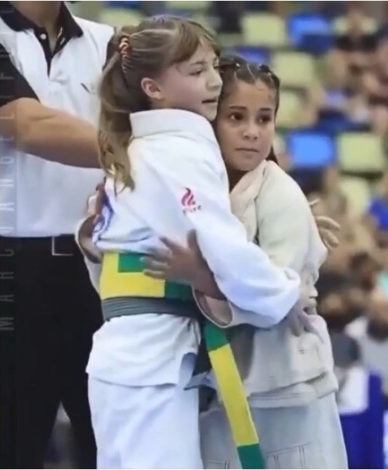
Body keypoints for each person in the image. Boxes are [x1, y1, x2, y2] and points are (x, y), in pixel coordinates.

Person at [77, 19, 304, 468]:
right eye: (197, 71)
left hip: (129, 352)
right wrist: (280, 292)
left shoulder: (141, 147)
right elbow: (222, 244)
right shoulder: (178, 150)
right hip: (151, 357)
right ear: (154, 88)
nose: (214, 81)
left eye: (213, 66)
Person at [142, 56, 348, 468]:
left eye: (264, 119)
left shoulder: (281, 192)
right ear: (210, 120)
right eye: (236, 117)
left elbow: (282, 295)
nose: (252, 132)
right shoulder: (198, 189)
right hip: (218, 381)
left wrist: (203, 278)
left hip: (285, 382)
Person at [0, 1, 112, 466]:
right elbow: (27, 125)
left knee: (110, 440)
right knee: (17, 441)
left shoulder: (107, 41)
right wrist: (143, 153)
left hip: (98, 263)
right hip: (19, 268)